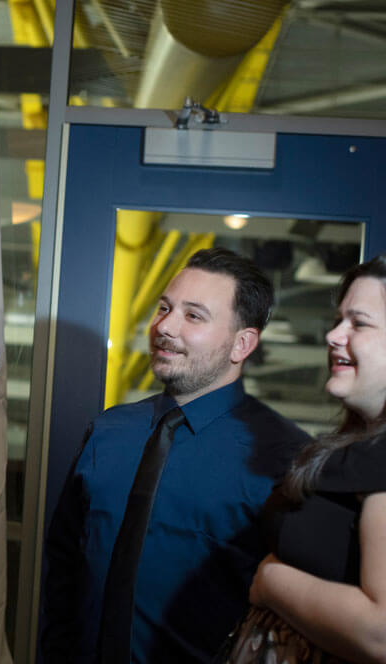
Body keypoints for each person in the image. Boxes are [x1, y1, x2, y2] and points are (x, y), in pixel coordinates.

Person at [41, 247, 312, 663]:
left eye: (193, 316)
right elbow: (63, 568)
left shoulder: (281, 456)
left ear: (242, 343)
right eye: (164, 308)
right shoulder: (108, 432)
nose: (165, 326)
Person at [218, 253, 386, 664]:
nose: (333, 335)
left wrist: (272, 581)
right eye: (338, 320)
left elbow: (380, 634)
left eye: (358, 323)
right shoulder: (359, 448)